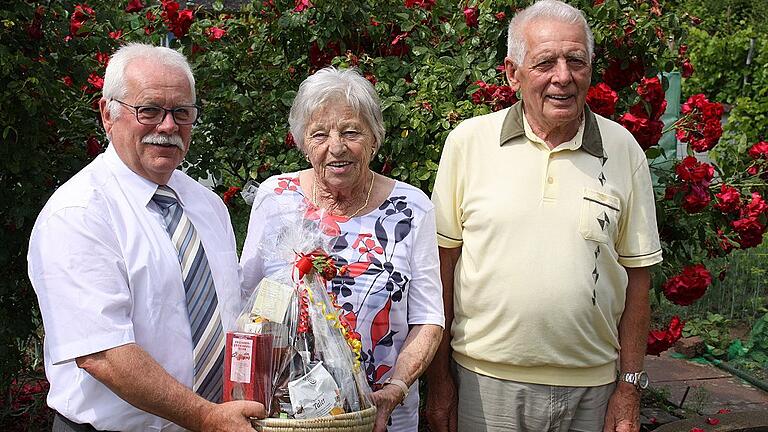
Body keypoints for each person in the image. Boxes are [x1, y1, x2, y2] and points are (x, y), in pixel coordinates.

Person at [425, 1, 663, 431]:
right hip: (485, 386)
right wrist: (439, 382)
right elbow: (441, 269)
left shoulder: (624, 149)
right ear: (512, 73)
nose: (563, 76)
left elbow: (639, 277)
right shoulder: (468, 143)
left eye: (576, 60)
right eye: (545, 62)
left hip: (594, 390)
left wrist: (629, 388)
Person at [28, 43, 265, 432]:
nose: (168, 126)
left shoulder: (207, 205)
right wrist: (205, 416)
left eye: (182, 113)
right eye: (149, 110)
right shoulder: (79, 213)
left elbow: (230, 314)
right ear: (108, 114)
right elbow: (102, 354)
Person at [240, 66, 444, 432]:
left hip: (382, 414)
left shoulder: (412, 208)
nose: (336, 147)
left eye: (351, 132)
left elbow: (429, 319)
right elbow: (246, 303)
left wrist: (396, 388)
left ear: (374, 138)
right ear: (303, 141)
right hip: (283, 416)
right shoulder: (275, 197)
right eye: (320, 134)